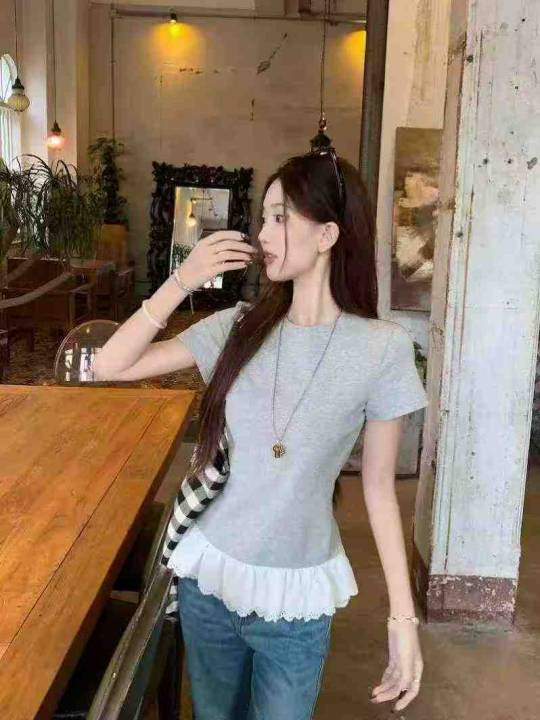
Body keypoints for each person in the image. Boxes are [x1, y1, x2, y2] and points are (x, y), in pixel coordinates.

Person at [93, 150, 429, 720]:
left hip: (296, 599)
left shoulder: (381, 349)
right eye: (263, 219)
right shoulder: (237, 326)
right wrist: (181, 280)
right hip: (211, 583)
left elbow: (378, 490)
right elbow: (109, 366)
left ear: (327, 234)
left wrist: (402, 620)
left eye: (280, 218)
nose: (263, 235)